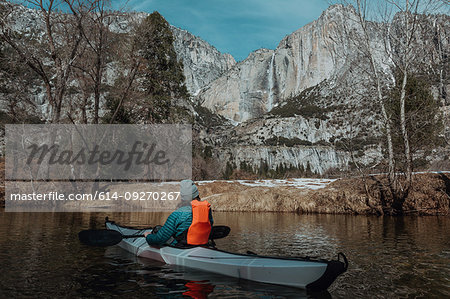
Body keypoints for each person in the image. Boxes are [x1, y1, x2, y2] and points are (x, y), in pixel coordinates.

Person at [144, 179, 213, 246]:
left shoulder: (177, 214)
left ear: (182, 197)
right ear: (197, 194)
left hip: (183, 245)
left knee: (159, 231)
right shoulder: (207, 210)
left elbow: (158, 240)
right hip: (202, 243)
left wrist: (148, 236)